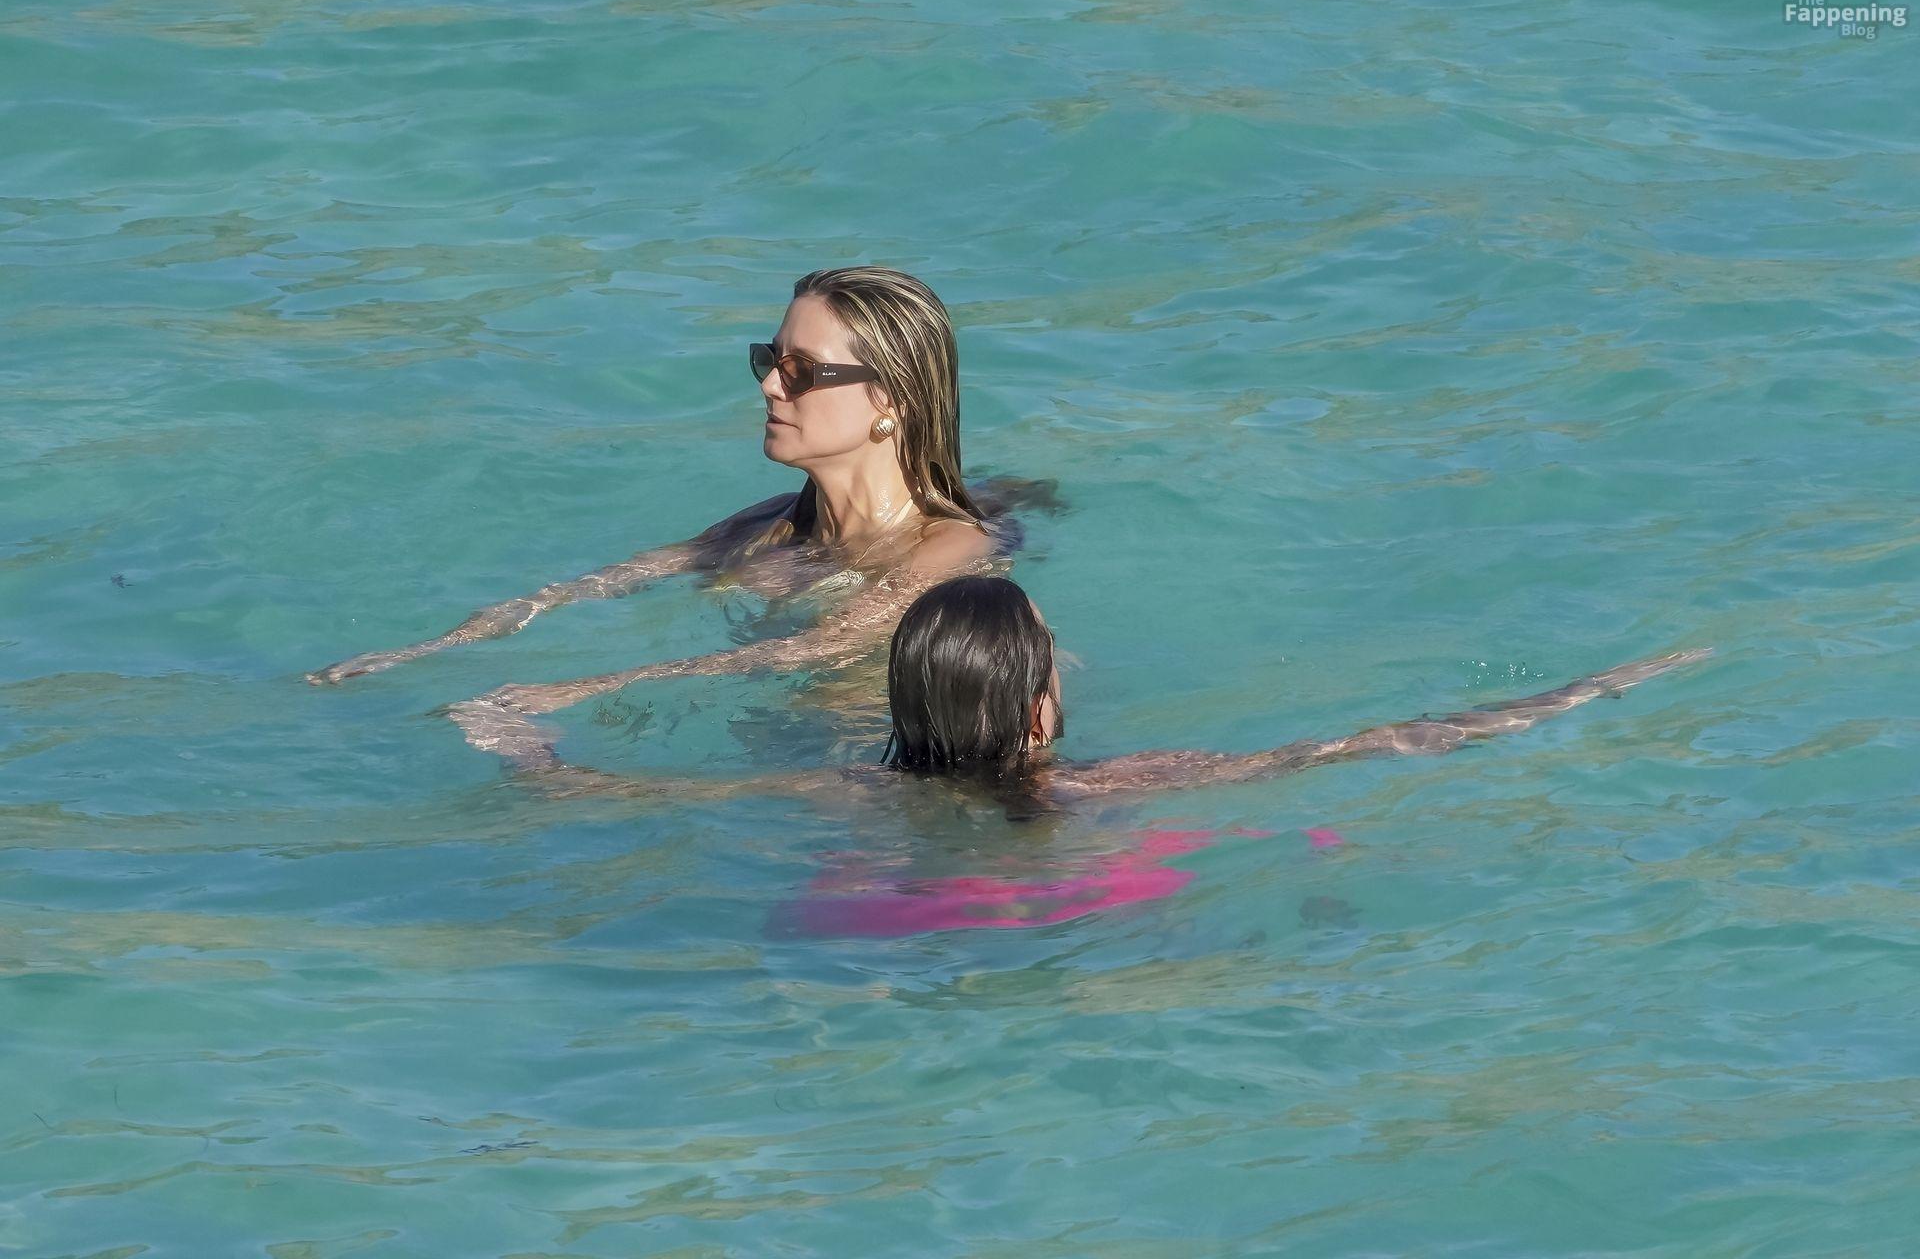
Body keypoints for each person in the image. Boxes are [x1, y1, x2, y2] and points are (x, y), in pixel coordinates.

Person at [306, 266, 1053, 693]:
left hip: (877, 773)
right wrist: (419, 653)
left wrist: (567, 692)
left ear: (888, 400)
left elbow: (817, 648)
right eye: (769, 361)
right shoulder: (768, 528)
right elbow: (594, 585)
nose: (771, 386)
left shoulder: (948, 551)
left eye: (800, 371)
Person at [441, 576, 1712, 812]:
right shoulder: (1121, 786)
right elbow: (1363, 744)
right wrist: (1586, 689)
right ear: (1040, 711)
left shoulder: (839, 789)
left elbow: (632, 796)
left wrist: (523, 745)